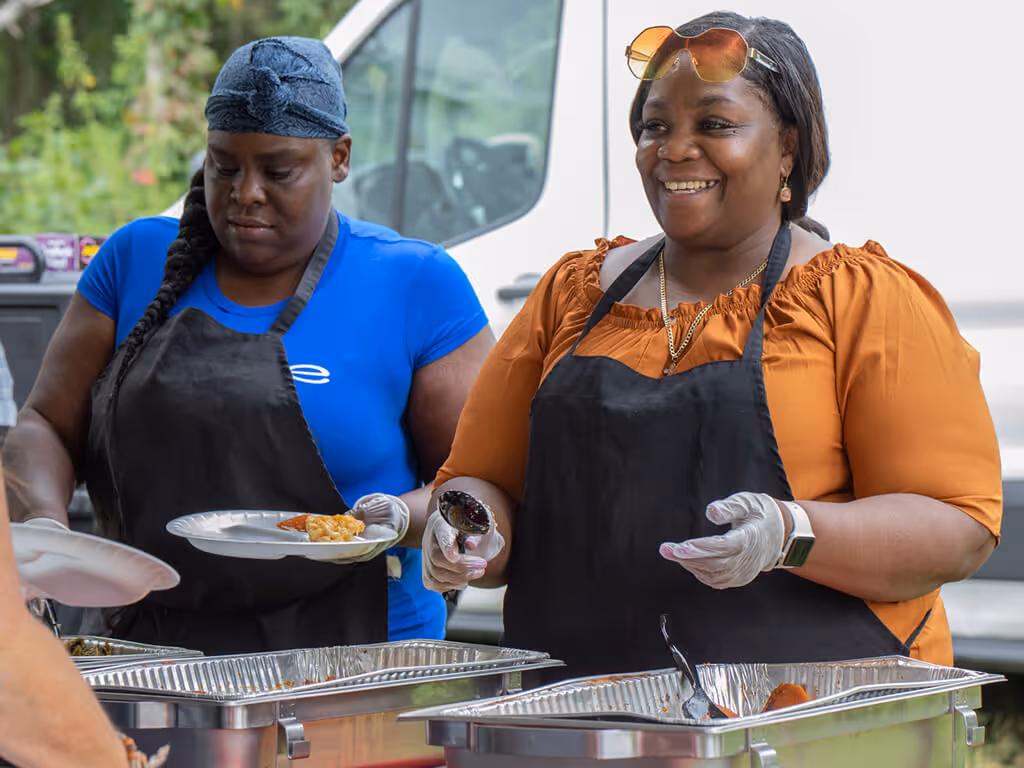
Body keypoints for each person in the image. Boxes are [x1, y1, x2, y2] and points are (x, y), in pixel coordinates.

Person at [421, 12, 1002, 681]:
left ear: (788, 144)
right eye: (655, 127)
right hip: (577, 720)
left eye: (715, 125)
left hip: (803, 725)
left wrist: (792, 533)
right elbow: (480, 479)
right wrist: (469, 531)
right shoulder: (570, 294)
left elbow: (955, 526)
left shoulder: (860, 298)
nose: (673, 149)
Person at [2, 36, 492, 654]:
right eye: (224, 166)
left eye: (278, 170)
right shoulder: (132, 261)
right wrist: (44, 528)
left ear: (339, 158)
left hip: (358, 657)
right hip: (159, 657)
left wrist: (401, 519)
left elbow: (472, 477)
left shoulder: (415, 281)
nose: (245, 193)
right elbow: (45, 421)